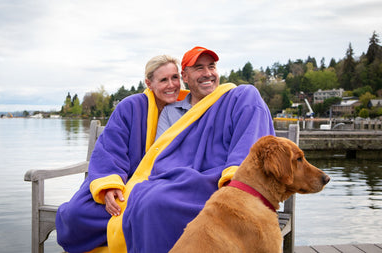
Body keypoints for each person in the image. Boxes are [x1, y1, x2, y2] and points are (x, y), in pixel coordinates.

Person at [105, 46, 275, 253]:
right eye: (199, 68)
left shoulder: (232, 101)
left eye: (211, 67)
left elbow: (248, 139)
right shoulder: (170, 112)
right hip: (182, 178)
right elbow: (164, 153)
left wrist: (234, 178)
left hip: (219, 180)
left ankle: (238, 187)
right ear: (185, 76)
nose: (207, 73)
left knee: (250, 91)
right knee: (150, 201)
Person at [55, 54, 187, 253]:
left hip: (159, 186)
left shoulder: (190, 107)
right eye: (163, 80)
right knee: (75, 215)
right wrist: (109, 186)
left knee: (153, 212)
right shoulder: (130, 107)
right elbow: (109, 148)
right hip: (122, 183)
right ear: (149, 83)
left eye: (175, 77)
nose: (171, 85)